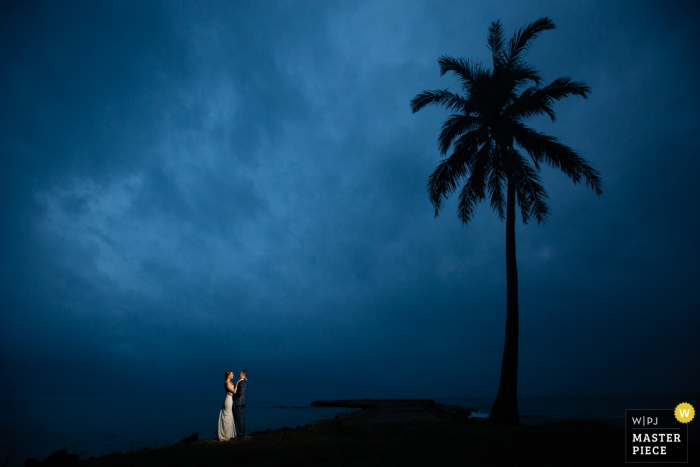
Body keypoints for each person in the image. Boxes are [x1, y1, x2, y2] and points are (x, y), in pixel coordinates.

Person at [217, 370, 240, 441]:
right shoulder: (227, 383)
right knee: (228, 415)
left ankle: (229, 434)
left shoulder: (229, 382)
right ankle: (226, 434)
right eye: (232, 374)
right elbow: (234, 391)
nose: (233, 375)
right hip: (228, 400)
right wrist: (238, 382)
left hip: (231, 399)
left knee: (230, 416)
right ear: (228, 375)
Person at [232, 370, 247, 438]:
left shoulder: (241, 382)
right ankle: (241, 432)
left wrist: (234, 395)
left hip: (239, 402)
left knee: (240, 418)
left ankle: (240, 434)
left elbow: (240, 392)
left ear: (243, 375)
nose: (238, 374)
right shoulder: (244, 382)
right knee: (241, 418)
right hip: (242, 402)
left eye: (240, 373)